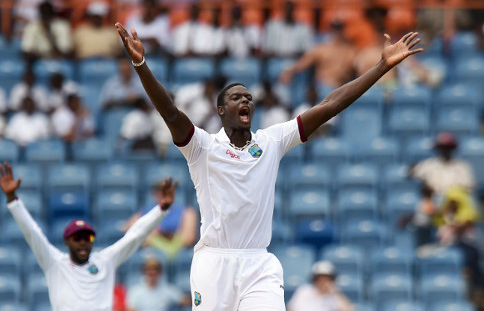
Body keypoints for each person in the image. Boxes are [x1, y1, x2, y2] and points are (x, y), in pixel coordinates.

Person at [116, 21, 422, 310]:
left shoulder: (272, 140)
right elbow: (170, 113)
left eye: (248, 97)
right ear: (221, 110)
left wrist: (381, 67)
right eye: (236, 98)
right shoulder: (203, 147)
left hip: (258, 263)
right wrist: (141, 66)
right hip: (214, 262)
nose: (245, 101)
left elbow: (331, 105)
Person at [0, 161, 177, 311]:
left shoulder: (105, 260)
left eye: (87, 238)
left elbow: (136, 235)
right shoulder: (54, 262)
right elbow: (32, 232)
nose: (82, 243)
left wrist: (162, 209)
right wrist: (12, 199)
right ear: (67, 242)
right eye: (77, 238)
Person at [124, 181, 198, 260]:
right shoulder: (146, 211)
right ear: (154, 193)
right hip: (152, 254)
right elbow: (127, 228)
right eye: (159, 190)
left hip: (179, 250)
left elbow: (189, 238)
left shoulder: (186, 212)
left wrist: (167, 236)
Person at [279, 20, 356, 91]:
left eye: (339, 29)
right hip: (323, 86)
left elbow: (358, 67)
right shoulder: (322, 49)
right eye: (334, 29)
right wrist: (289, 72)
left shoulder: (350, 51)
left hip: (342, 88)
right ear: (330, 30)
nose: (337, 32)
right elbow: (303, 63)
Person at [409, 131, 475, 197]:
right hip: (435, 200)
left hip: (456, 201)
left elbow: (469, 188)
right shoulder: (429, 164)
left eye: (447, 148)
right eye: (442, 148)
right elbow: (411, 172)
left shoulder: (462, 166)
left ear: (452, 149)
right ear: (438, 149)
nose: (444, 150)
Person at [126, 256, 191, 311]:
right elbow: (130, 308)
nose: (152, 272)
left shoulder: (167, 289)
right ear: (144, 271)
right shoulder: (134, 291)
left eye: (155, 269)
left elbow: (184, 300)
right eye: (149, 269)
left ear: (160, 272)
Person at [288, 260, 354, 311]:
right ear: (314, 279)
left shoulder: (334, 295)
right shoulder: (304, 291)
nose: (323, 282)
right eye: (320, 279)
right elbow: (291, 309)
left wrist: (335, 292)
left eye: (327, 279)